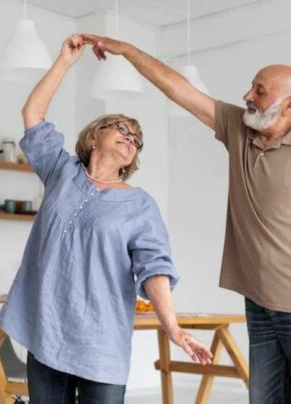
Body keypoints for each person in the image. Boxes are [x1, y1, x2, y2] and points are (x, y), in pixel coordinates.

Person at [0, 33, 212, 404]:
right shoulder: (61, 173)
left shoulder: (140, 205)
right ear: (95, 137)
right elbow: (33, 115)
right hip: (47, 330)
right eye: (122, 129)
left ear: (133, 159)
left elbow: (154, 267)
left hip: (101, 342)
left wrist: (173, 327)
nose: (131, 138)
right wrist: (64, 62)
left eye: (137, 140)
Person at [82, 33, 291, 404]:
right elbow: (180, 90)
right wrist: (128, 51)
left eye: (259, 91)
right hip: (259, 302)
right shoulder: (240, 129)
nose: (247, 95)